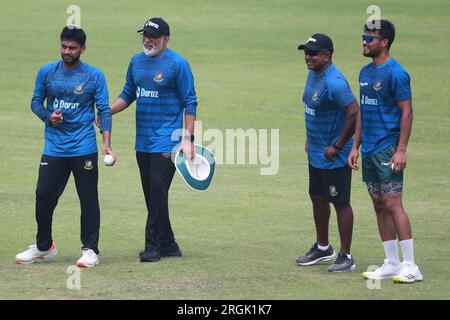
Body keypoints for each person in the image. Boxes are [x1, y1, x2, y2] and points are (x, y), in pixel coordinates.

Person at [15, 26, 114, 268]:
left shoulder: (94, 76)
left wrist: (107, 144)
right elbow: (36, 102)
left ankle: (90, 250)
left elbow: (104, 110)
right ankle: (44, 246)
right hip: (54, 147)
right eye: (64, 46)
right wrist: (49, 117)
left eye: (72, 48)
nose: (67, 51)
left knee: (88, 198)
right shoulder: (47, 72)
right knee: (43, 195)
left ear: (83, 49)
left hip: (84, 147)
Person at [109, 17, 197, 262]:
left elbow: (189, 101)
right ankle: (169, 244)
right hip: (143, 141)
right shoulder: (136, 62)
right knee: (152, 194)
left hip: (167, 142)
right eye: (144, 35)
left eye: (153, 36)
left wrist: (188, 139)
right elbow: (128, 93)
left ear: (165, 40)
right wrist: (107, 111)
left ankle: (153, 246)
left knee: (158, 190)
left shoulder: (178, 64)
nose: (147, 39)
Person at [348, 19, 423, 283]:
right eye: (363, 37)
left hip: (388, 148)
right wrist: (355, 146)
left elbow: (407, 111)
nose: (364, 42)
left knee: (393, 203)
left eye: (369, 38)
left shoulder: (396, 73)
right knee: (378, 204)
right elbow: (362, 113)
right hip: (368, 149)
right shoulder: (364, 73)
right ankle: (391, 262)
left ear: (384, 42)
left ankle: (411, 265)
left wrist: (401, 150)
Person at [296, 34, 358, 272]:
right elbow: (313, 108)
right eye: (306, 52)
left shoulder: (335, 82)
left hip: (334, 157)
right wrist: (309, 139)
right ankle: (323, 248)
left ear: (327, 55)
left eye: (313, 53)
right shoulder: (313, 74)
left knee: (340, 202)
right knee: (317, 197)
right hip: (316, 152)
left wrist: (339, 145)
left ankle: (346, 256)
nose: (307, 57)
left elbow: (353, 112)